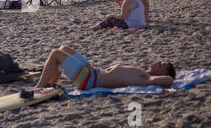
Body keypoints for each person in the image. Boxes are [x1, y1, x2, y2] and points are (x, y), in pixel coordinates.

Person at [32, 45, 175, 90]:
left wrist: (158, 77)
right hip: (92, 72)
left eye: (162, 65)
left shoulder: (146, 79)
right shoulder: (143, 73)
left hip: (87, 80)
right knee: (64, 48)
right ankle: (51, 83)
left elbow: (168, 80)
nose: (158, 62)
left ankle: (38, 88)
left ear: (162, 72)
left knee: (55, 54)